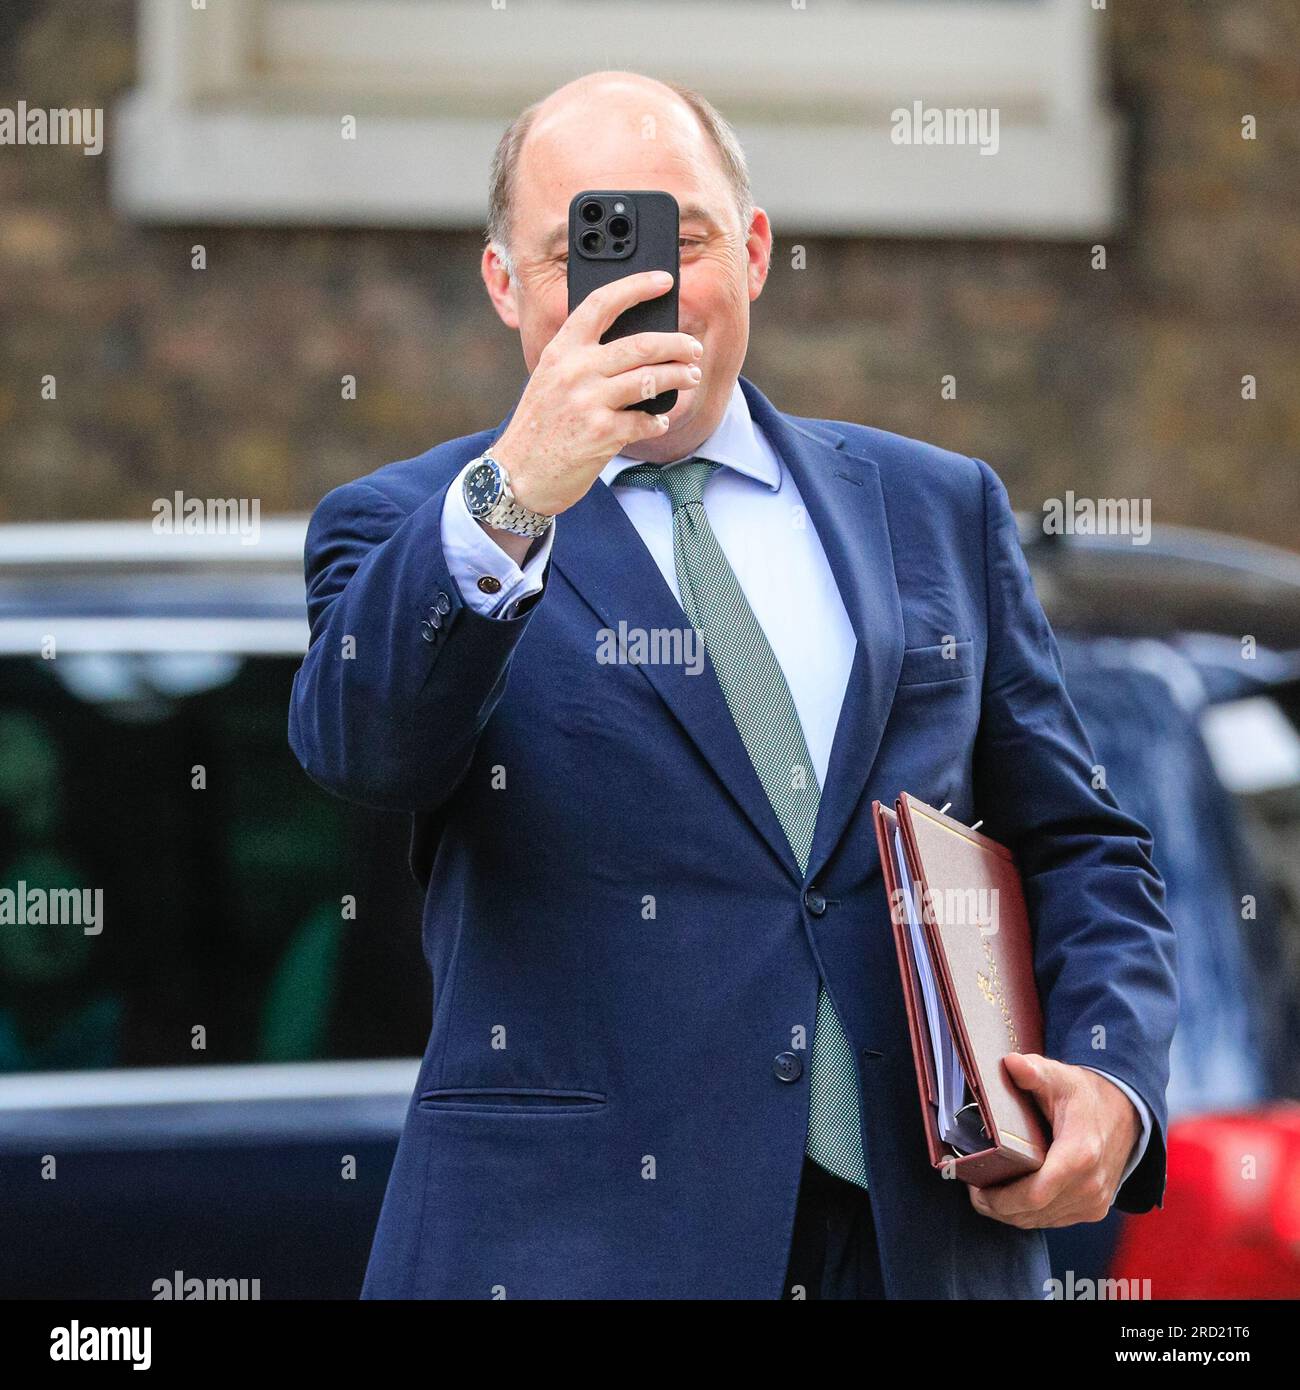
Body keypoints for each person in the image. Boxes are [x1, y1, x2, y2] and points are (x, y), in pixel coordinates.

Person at [289, 70, 1178, 1299]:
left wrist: (1112, 1085)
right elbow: (363, 749)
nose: (645, 286)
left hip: (921, 1246)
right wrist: (518, 490)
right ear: (504, 287)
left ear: (755, 252)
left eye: (683, 238)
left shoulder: (936, 507)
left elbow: (1082, 843)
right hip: (576, 1253)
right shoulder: (414, 528)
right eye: (581, 253)